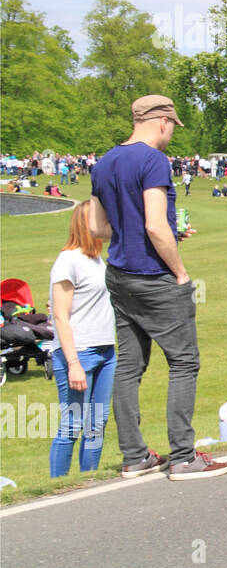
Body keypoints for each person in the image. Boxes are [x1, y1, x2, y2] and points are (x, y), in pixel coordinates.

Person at [89, 94, 227, 480]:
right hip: (153, 275)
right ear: (163, 122)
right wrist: (181, 271)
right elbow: (153, 224)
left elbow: (97, 228)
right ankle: (183, 456)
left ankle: (134, 455)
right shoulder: (153, 160)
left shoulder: (104, 162)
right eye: (172, 126)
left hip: (118, 273)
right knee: (184, 361)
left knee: (130, 365)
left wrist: (161, 232)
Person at [48, 201, 117, 477]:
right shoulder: (68, 260)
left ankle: (89, 482)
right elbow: (60, 317)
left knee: (97, 423)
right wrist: (73, 362)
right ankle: (58, 487)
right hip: (79, 353)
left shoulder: (97, 260)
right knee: (72, 424)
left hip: (106, 351)